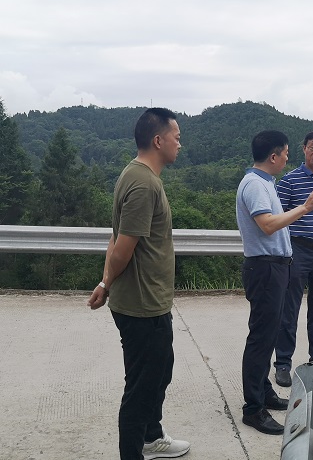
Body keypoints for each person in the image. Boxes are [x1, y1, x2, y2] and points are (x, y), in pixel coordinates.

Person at [87, 107, 190, 460]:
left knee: (159, 373)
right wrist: (106, 283)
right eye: (176, 137)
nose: (180, 144)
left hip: (150, 301)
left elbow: (115, 237)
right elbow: (122, 247)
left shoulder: (135, 175)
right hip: (142, 306)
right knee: (141, 390)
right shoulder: (144, 184)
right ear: (158, 140)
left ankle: (152, 436)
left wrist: (106, 282)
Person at [236, 130, 313, 434]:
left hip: (276, 268)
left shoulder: (266, 183)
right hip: (265, 269)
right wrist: (305, 208)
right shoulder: (255, 185)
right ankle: (253, 409)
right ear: (273, 156)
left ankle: (264, 393)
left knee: (269, 333)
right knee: (261, 338)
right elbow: (267, 225)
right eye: (285, 153)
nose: (288, 158)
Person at [273, 131, 313, 388]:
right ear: (304, 149)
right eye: (312, 147)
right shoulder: (289, 180)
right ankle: (283, 364)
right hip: (298, 249)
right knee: (289, 309)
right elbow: (277, 217)